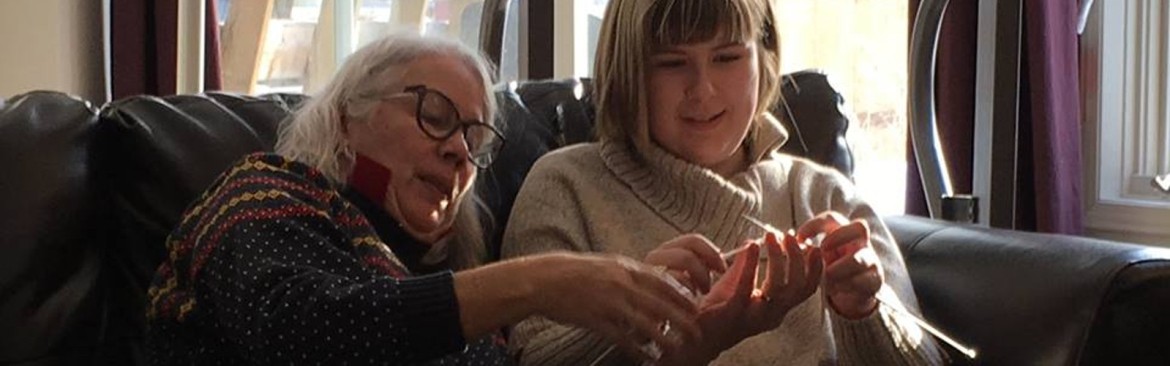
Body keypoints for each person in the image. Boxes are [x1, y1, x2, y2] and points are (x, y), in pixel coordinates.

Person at [144, 33, 703, 365]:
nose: (460, 151)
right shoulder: (263, 192)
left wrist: (639, 315)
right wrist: (540, 282)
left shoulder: (439, 279)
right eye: (435, 115)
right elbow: (301, 331)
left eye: (475, 140)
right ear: (346, 117)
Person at [501, 0, 947, 364]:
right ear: (629, 72)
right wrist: (639, 313)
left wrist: (866, 312)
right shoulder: (565, 187)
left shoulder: (824, 195)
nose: (703, 90)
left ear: (764, 59)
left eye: (728, 57)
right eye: (672, 63)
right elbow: (532, 358)